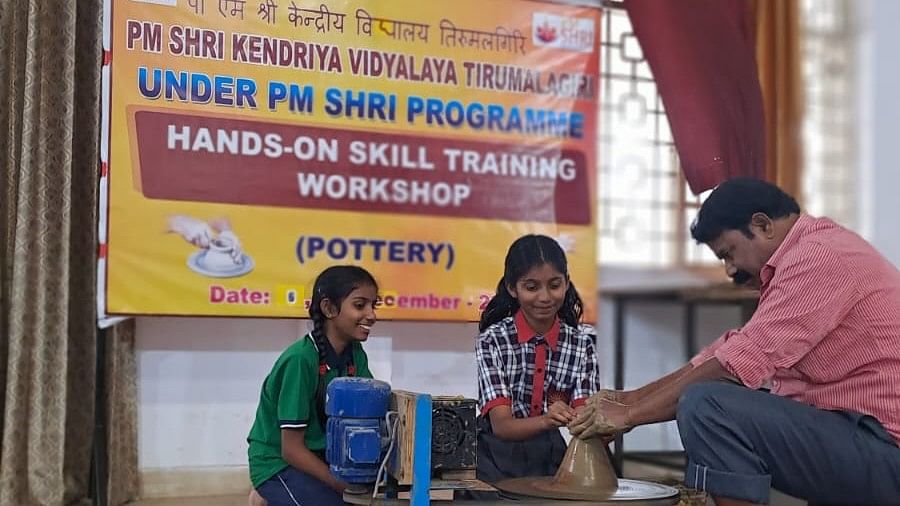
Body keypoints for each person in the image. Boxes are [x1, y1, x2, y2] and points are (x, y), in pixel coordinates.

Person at [569, 178, 900, 505]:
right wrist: (626, 400)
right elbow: (727, 351)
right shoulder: (807, 254)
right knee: (714, 395)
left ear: (762, 225)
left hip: (883, 448)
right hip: (858, 437)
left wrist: (629, 416)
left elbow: (738, 364)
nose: (730, 270)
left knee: (708, 405)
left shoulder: (819, 258)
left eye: (729, 253)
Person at [247, 265, 379, 506]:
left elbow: (372, 414)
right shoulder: (300, 360)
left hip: (324, 457)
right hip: (279, 462)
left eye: (374, 305)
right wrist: (341, 485)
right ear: (329, 308)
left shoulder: (356, 355)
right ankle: (267, 492)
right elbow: (291, 449)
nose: (371, 315)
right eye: (360, 305)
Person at [476, 234, 601, 483]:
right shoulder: (493, 340)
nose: (544, 297)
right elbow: (502, 425)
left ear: (566, 283)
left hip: (548, 451)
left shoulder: (582, 344)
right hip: (494, 453)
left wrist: (606, 421)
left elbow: (587, 421)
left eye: (554, 285)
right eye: (532, 287)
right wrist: (547, 419)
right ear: (513, 288)